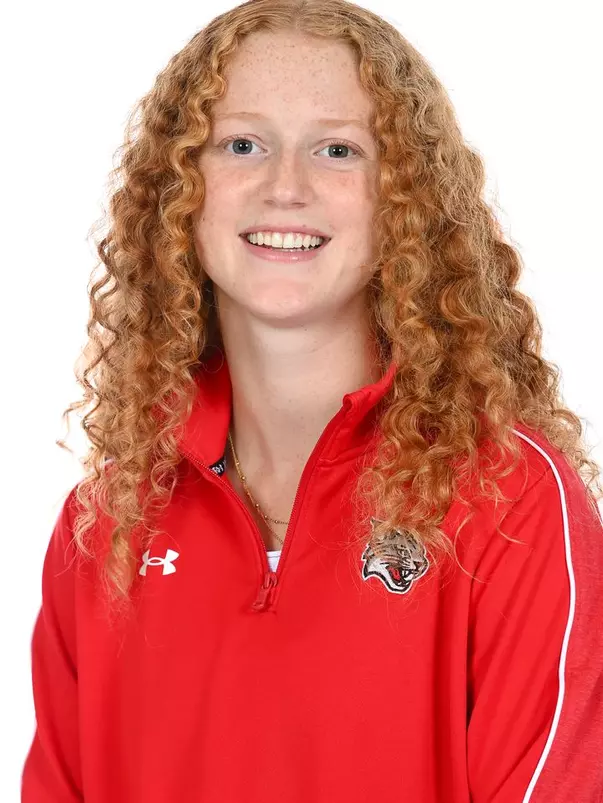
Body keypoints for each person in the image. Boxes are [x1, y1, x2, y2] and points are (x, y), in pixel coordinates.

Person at [21, 1, 603, 801]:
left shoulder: (507, 499)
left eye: (337, 149)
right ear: (178, 189)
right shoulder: (107, 523)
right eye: (241, 144)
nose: (284, 186)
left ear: (406, 202)